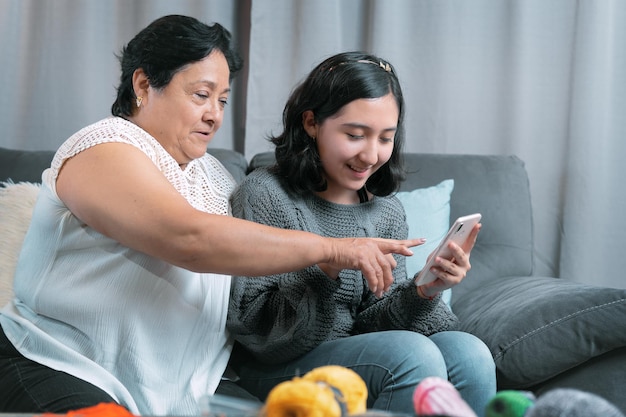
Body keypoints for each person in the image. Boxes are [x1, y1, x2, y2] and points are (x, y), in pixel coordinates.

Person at [0, 17, 421, 416]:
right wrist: (333, 248)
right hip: (58, 362)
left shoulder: (216, 178)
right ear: (144, 84)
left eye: (222, 99)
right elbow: (190, 239)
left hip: (183, 389)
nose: (214, 114)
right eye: (201, 95)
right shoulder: (102, 146)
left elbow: (253, 266)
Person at [227, 51, 497, 415]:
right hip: (274, 365)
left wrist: (424, 289)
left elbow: (373, 322)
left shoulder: (384, 211)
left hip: (361, 357)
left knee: (470, 353)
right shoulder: (265, 195)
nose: (371, 155)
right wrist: (329, 262)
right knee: (410, 356)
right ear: (311, 122)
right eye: (355, 135)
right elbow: (255, 330)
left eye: (385, 138)